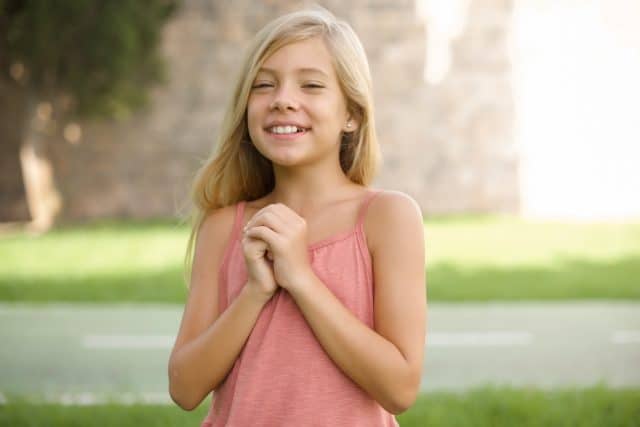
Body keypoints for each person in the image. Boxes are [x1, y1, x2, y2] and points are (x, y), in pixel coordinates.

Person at [168, 6, 427, 427]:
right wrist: (255, 292)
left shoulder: (387, 218)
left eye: (311, 85)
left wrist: (302, 278)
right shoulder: (224, 226)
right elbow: (184, 388)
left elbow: (399, 389)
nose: (283, 100)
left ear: (352, 114)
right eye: (264, 85)